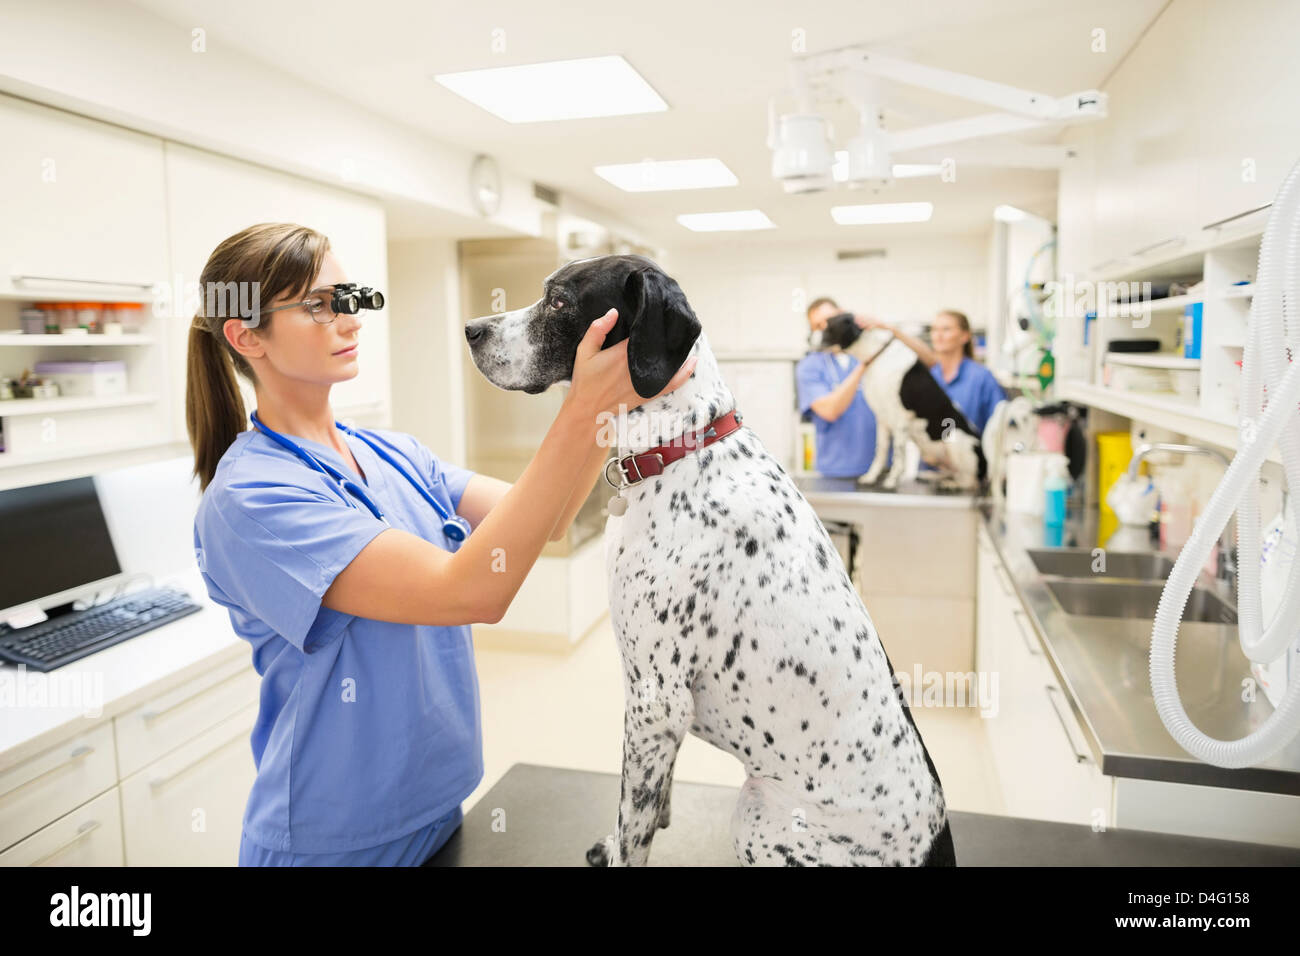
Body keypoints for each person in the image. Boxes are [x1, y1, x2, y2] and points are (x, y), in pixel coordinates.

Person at [186, 223, 696, 866]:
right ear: (245, 334)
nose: (349, 320)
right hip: (334, 839)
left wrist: (603, 398)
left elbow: (552, 516)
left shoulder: (390, 452)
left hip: (437, 808)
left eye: (351, 297)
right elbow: (472, 591)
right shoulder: (253, 498)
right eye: (319, 305)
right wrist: (581, 408)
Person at [796, 297, 936, 479]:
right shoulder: (809, 366)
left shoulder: (874, 347)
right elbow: (830, 411)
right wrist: (865, 363)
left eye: (829, 320)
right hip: (837, 470)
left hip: (882, 470)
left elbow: (930, 361)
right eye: (817, 325)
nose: (825, 328)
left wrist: (889, 328)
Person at [926, 309, 1006, 434]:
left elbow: (1001, 423)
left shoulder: (981, 378)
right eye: (935, 329)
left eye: (946, 329)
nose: (938, 335)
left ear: (965, 336)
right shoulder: (928, 378)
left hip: (970, 451)